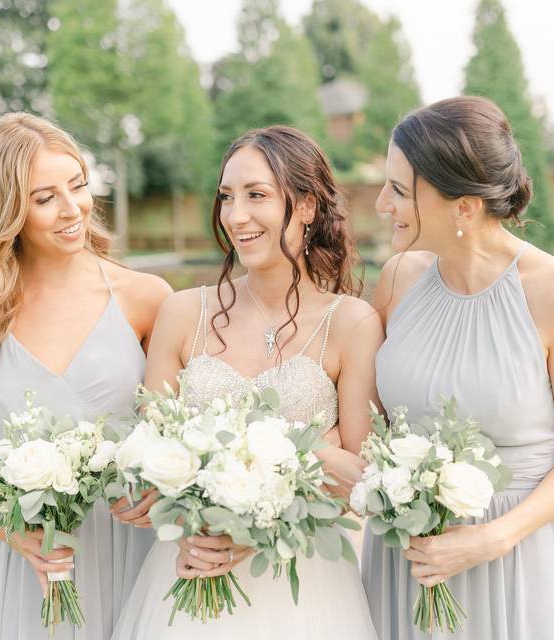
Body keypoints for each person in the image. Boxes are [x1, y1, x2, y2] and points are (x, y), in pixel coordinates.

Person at [112, 125, 382, 639]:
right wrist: (175, 517)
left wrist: (261, 517)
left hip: (306, 591)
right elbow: (148, 455)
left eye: (256, 195)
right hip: (191, 572)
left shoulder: (352, 323)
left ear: (305, 206)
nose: (236, 216)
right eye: (226, 197)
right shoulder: (182, 311)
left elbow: (361, 482)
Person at [362, 96, 554, 640]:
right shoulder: (398, 279)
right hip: (406, 554)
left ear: (464, 207)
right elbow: (367, 426)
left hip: (511, 556)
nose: (382, 203)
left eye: (400, 190)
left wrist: (495, 537)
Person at [0, 112, 171, 639]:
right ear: (5, 210)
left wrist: (161, 490)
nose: (73, 210)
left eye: (79, 185)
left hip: (130, 552)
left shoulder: (147, 299)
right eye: (45, 198)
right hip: (27, 564)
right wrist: (13, 533)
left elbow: (176, 436)